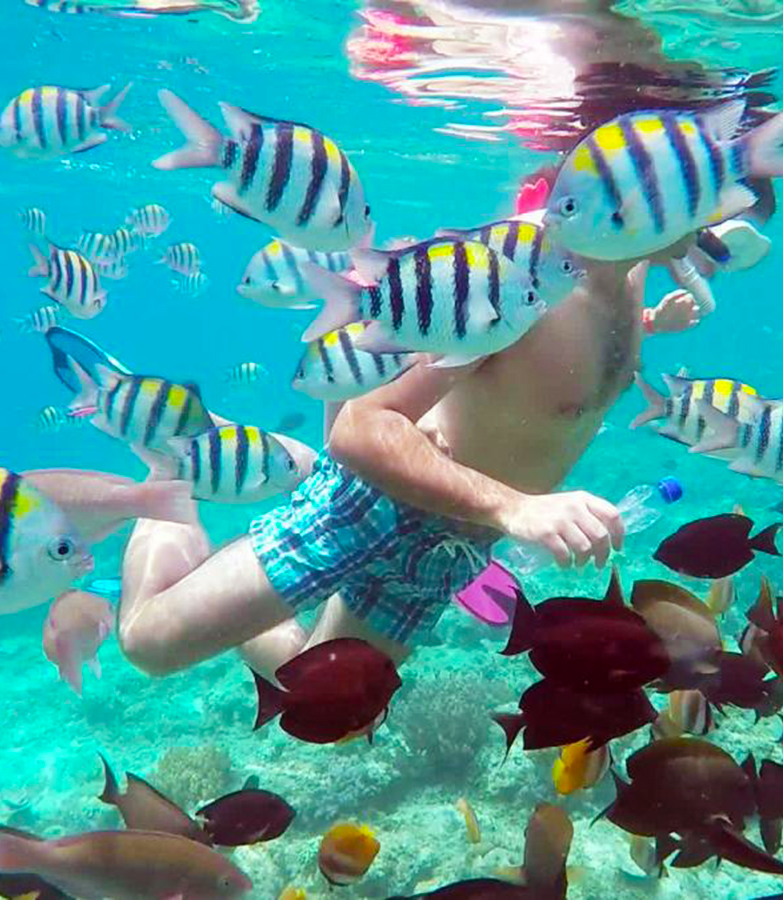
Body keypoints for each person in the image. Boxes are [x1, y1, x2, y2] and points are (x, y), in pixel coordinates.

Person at [115, 181, 726, 681]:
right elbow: (360, 427)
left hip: (454, 544)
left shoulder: (633, 265)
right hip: (384, 502)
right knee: (149, 645)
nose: (722, 211)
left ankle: (239, 562)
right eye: (705, 186)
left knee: (328, 701)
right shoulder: (521, 273)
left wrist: (650, 326)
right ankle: (165, 489)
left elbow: (564, 375)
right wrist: (516, 509)